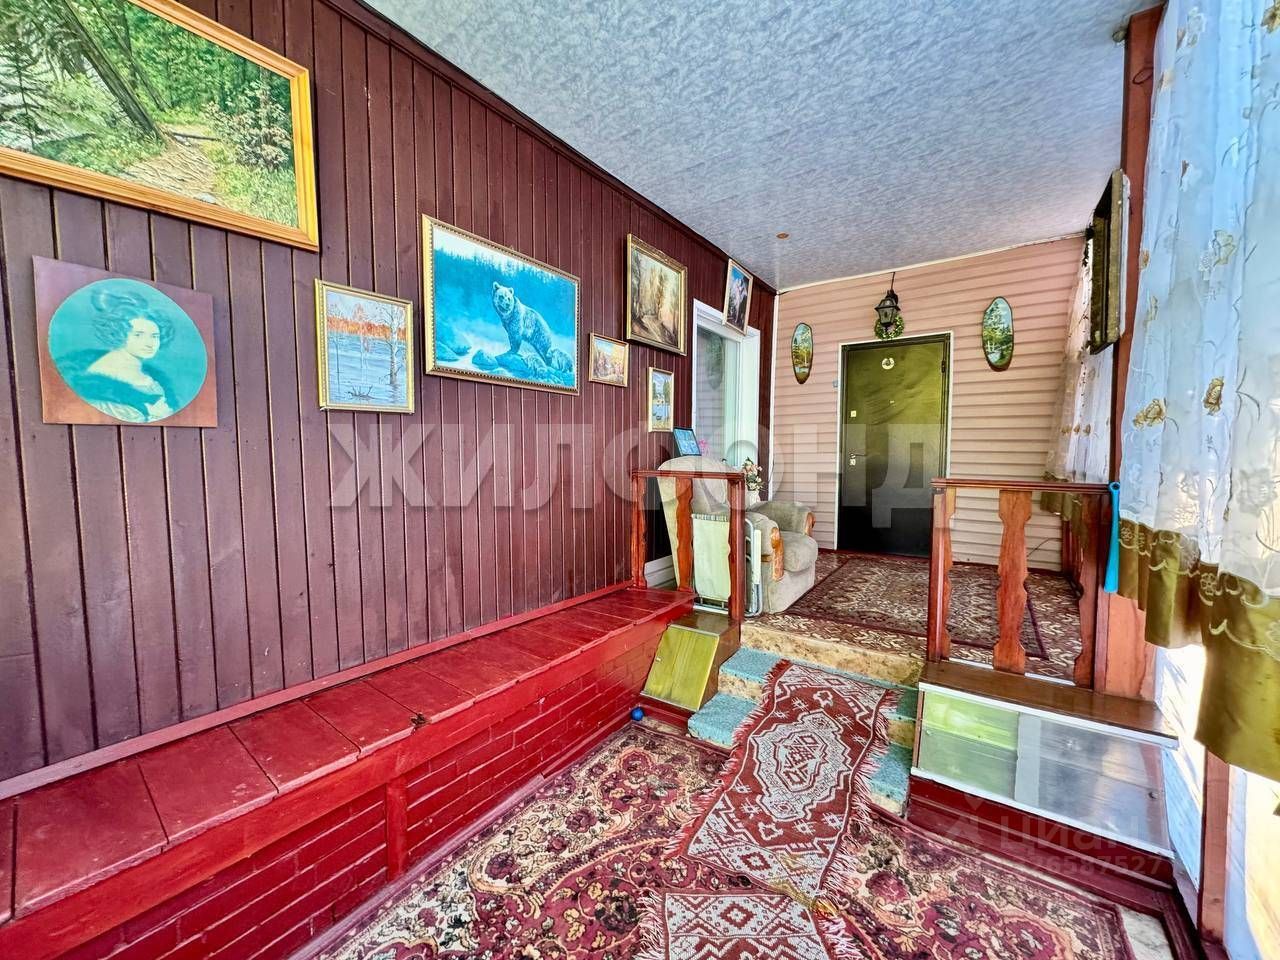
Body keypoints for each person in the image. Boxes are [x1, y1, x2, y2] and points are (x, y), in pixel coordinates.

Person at [56, 286, 179, 423]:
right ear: (118, 333)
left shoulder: (150, 377)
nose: (149, 343)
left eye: (154, 336)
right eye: (138, 335)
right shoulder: (100, 380)